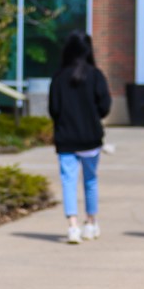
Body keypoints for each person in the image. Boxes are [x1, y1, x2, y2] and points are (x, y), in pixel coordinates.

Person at [48, 30, 112, 244]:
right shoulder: (96, 75)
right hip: (90, 139)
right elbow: (104, 107)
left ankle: (73, 226)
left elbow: (53, 109)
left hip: (66, 138)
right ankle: (91, 223)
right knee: (91, 181)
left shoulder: (58, 77)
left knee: (68, 182)